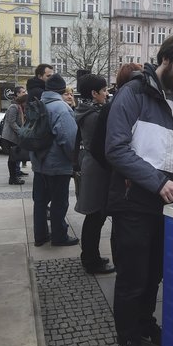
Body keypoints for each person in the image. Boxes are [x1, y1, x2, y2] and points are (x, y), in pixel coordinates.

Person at [106, 35, 173, 346]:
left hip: (165, 203)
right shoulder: (132, 93)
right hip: (134, 201)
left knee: (154, 273)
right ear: (165, 58)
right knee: (133, 275)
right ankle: (128, 338)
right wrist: (159, 181)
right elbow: (116, 149)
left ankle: (145, 324)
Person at [31, 73, 79, 247]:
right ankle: (59, 236)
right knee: (59, 202)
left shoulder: (38, 104)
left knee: (40, 202)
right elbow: (69, 139)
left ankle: (40, 236)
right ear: (61, 89)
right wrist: (74, 161)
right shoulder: (61, 108)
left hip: (38, 162)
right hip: (57, 164)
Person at [74, 74, 114, 274]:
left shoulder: (86, 110)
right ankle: (91, 260)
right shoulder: (94, 115)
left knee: (94, 216)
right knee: (95, 217)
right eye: (104, 90)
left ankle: (91, 257)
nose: (106, 94)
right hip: (97, 167)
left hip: (92, 164)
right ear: (93, 93)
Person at [2, 93, 27, 185]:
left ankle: (14, 176)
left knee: (14, 158)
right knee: (12, 158)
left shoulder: (20, 108)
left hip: (14, 137)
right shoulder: (14, 107)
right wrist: (21, 131)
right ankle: (13, 178)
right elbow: (11, 122)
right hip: (10, 137)